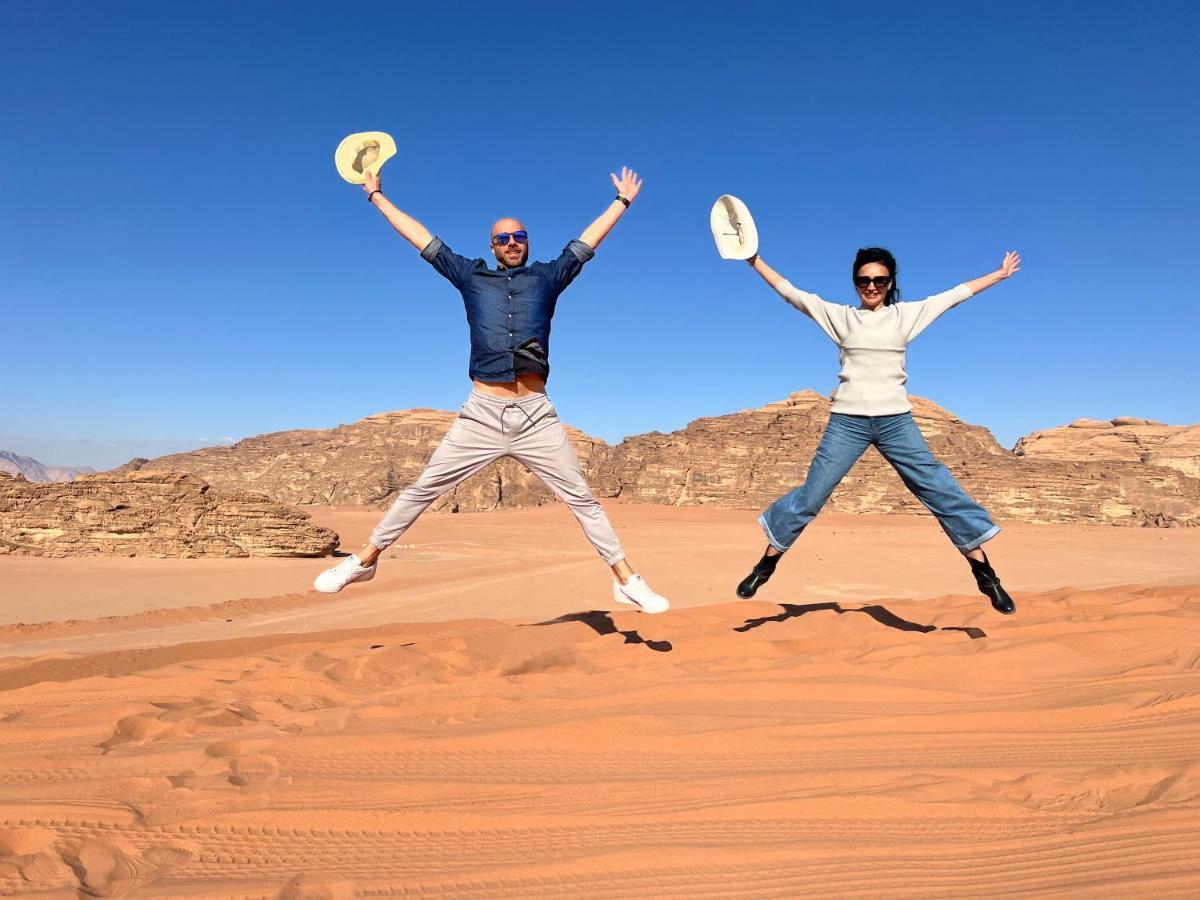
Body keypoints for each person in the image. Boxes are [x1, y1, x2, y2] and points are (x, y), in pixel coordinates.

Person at [313, 167, 669, 614]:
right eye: (503, 239)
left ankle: (625, 578)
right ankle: (365, 559)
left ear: (528, 241)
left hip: (535, 414)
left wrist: (622, 202)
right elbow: (421, 238)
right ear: (492, 247)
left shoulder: (548, 277)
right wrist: (376, 196)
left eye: (518, 236)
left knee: (582, 498)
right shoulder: (469, 276)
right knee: (423, 489)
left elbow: (587, 242)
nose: (512, 243)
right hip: (483, 412)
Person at [735, 245, 1021, 614]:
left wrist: (998, 275)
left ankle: (986, 575)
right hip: (847, 422)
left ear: (890, 283)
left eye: (879, 280)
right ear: (855, 283)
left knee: (937, 488)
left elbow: (955, 296)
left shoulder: (906, 316)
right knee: (813, 495)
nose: (871, 286)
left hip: (895, 421)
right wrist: (754, 260)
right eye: (864, 280)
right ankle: (766, 565)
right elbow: (792, 293)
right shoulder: (840, 318)